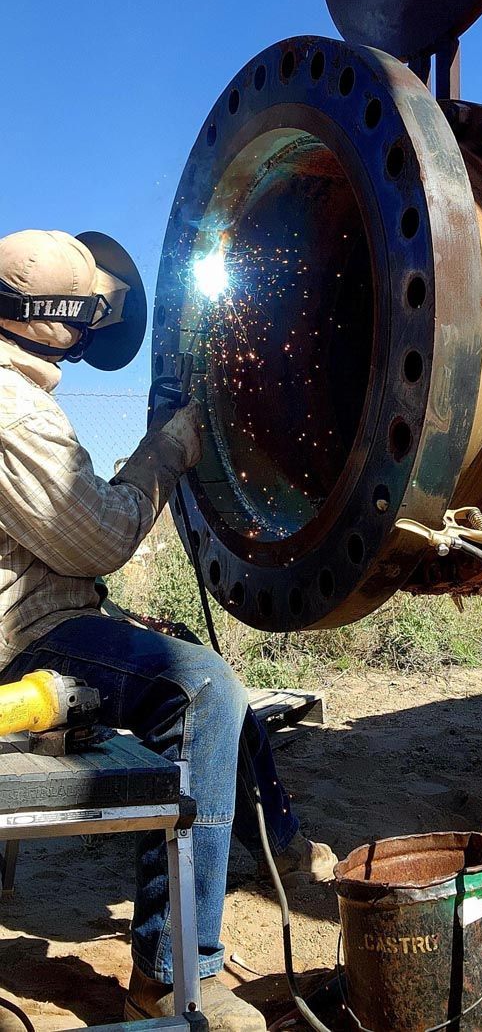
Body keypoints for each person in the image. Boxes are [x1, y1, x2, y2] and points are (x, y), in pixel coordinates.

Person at [0, 229, 337, 1032]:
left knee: (192, 656)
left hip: (48, 609)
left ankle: (281, 845)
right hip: (23, 644)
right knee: (200, 685)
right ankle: (169, 973)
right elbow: (106, 534)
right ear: (59, 316)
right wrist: (168, 450)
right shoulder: (12, 411)